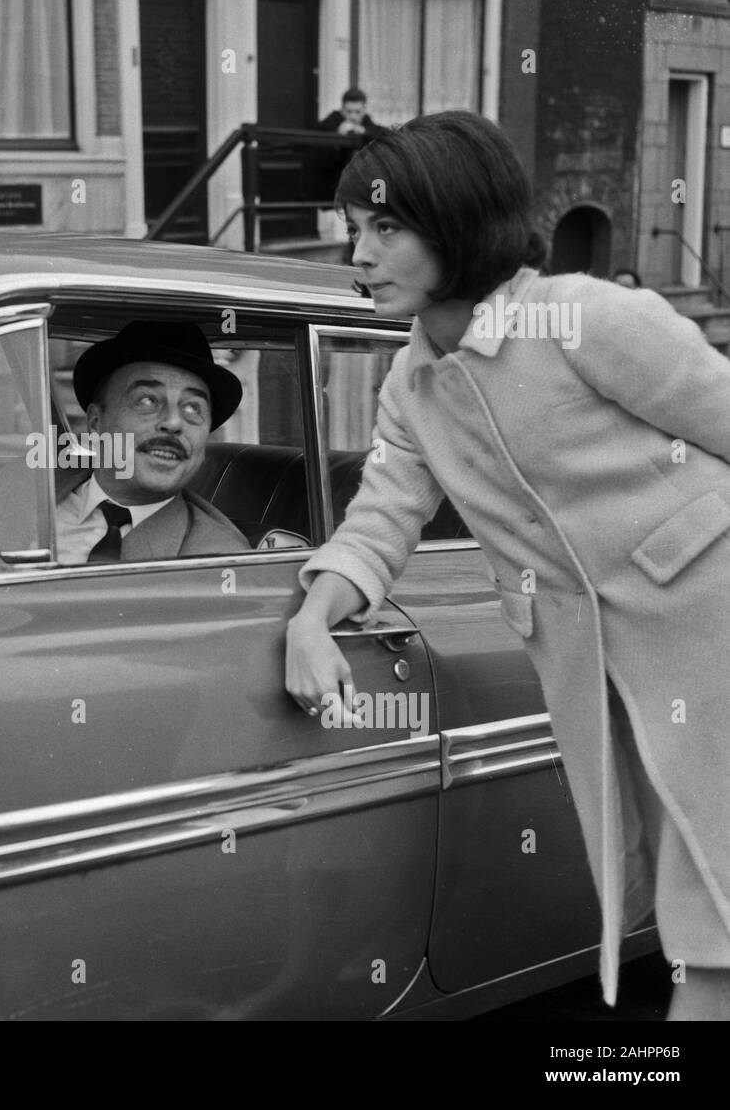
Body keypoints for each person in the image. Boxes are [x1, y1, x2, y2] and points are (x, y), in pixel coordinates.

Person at [284, 109, 730, 1021]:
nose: (358, 256)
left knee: (708, 922)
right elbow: (380, 520)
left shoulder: (587, 319)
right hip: (593, 673)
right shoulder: (410, 385)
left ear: (457, 221)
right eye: (353, 231)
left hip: (710, 636)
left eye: (385, 228)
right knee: (688, 915)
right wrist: (311, 617)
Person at [0, 321, 249, 562]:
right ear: (96, 422)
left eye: (193, 408)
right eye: (147, 400)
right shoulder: (16, 488)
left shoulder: (219, 559)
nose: (173, 422)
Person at [317, 88, 387, 139]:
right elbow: (318, 133)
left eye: (357, 112)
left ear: (364, 110)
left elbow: (383, 133)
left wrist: (364, 131)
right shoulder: (333, 119)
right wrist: (337, 133)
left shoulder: (366, 120)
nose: (353, 116)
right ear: (342, 109)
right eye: (349, 111)